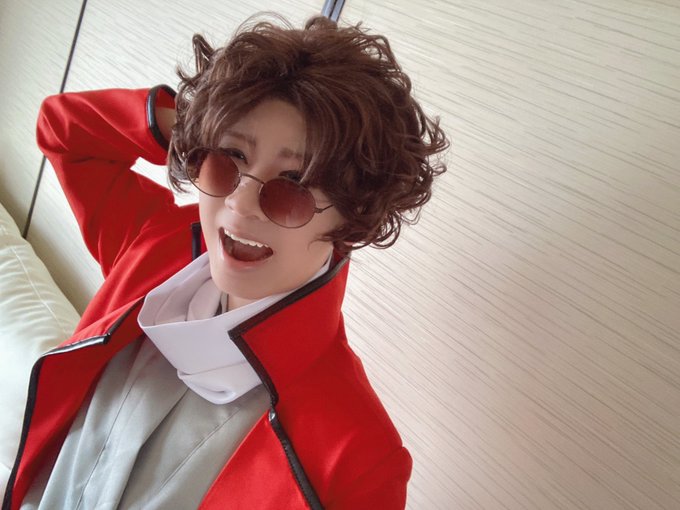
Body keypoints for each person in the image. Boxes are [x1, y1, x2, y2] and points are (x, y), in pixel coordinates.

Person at [3, 14, 448, 510]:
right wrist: (200, 122)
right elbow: (63, 130)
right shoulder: (158, 247)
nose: (240, 203)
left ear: (352, 217)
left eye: (293, 186)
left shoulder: (358, 459)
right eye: (230, 158)